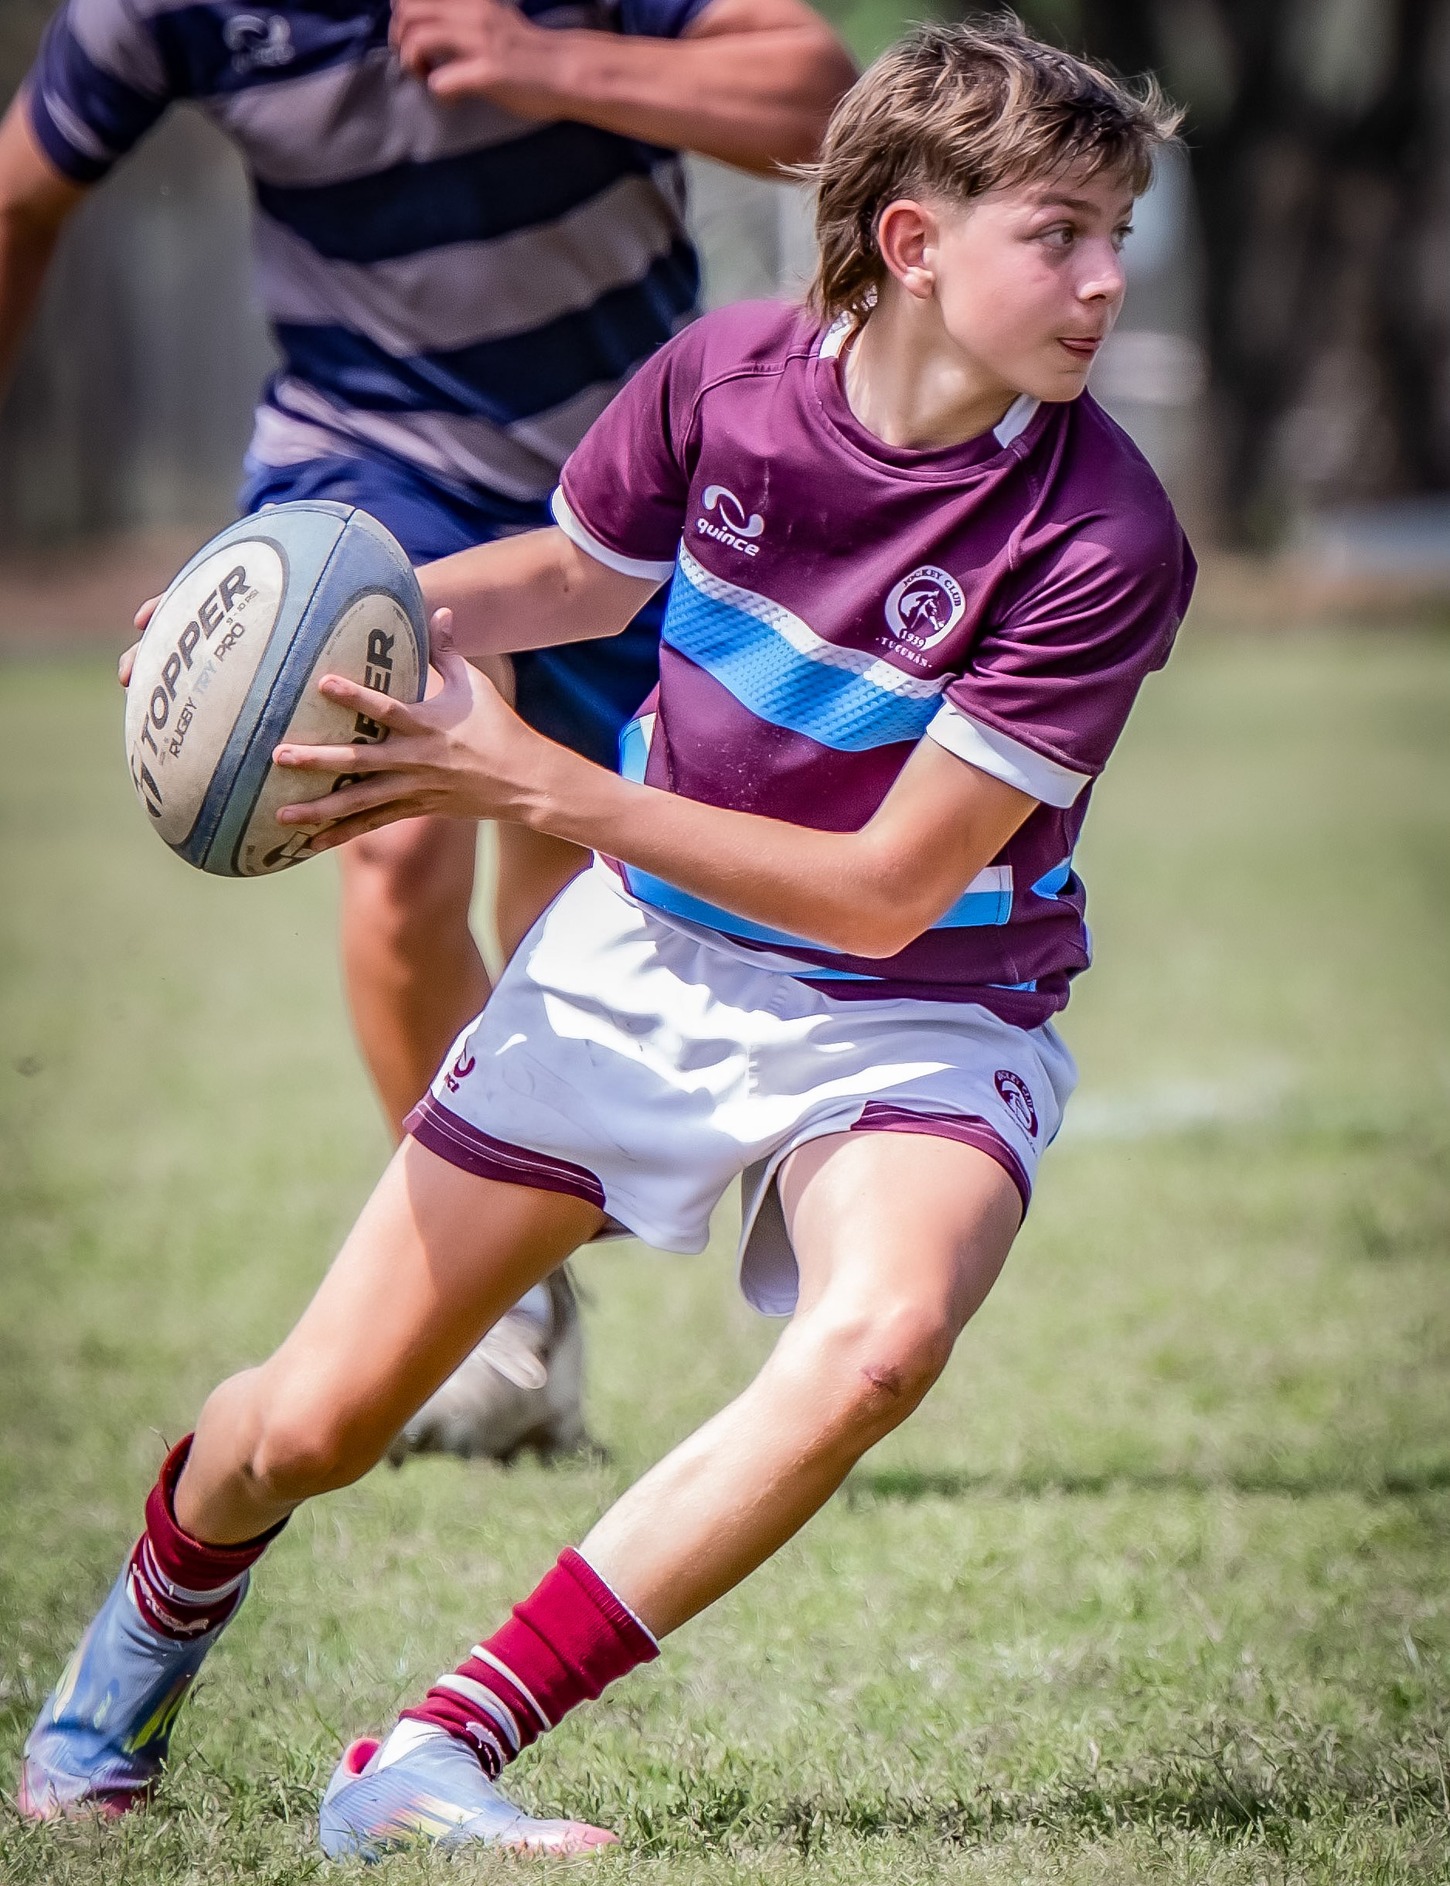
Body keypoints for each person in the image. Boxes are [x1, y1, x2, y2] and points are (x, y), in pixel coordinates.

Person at [21, 18, 1195, 1855]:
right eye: (1059, 233)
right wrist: (294, 617)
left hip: (916, 1009)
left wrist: (539, 788)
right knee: (308, 1429)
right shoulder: (721, 378)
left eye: (1115, 231)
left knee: (880, 1341)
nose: (1107, 278)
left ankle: (428, 1756)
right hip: (639, 970)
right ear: (909, 243)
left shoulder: (1103, 531)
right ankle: (123, 1671)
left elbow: (887, 888)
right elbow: (579, 572)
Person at [0, 0, 855, 1443]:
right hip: (365, 465)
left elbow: (821, 101)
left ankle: (521, 1245)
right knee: (392, 845)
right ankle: (489, 1309)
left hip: (632, 477)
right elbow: (25, 193)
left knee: (582, 912)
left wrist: (547, 62)